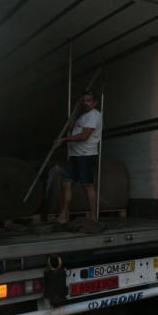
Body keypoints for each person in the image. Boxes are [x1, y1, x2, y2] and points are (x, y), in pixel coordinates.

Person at [54, 91, 102, 224]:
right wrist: (76, 109)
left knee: (87, 185)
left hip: (86, 155)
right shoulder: (83, 115)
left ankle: (93, 216)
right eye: (83, 101)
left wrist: (64, 140)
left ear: (95, 103)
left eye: (88, 101)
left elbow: (84, 136)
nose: (85, 103)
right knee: (66, 183)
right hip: (75, 155)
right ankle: (63, 215)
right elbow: (70, 127)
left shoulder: (94, 115)